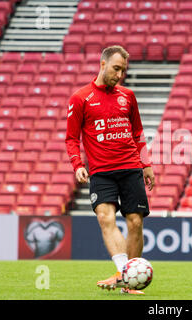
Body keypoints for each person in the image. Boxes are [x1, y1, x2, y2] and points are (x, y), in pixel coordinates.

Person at [65, 45, 155, 295]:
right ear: (102, 64)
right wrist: (77, 165)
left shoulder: (128, 96)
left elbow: (138, 132)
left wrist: (146, 164)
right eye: (116, 68)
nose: (120, 74)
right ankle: (125, 274)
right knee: (105, 217)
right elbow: (71, 138)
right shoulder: (80, 98)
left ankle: (128, 282)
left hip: (130, 167)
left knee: (135, 222)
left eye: (123, 70)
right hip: (102, 171)